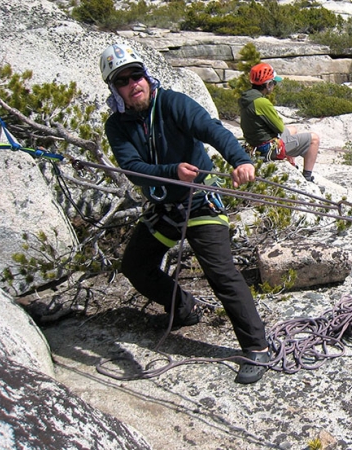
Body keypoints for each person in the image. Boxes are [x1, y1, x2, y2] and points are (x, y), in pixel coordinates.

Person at [99, 43, 271, 385]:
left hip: (199, 201)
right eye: (124, 80)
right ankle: (183, 307)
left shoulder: (173, 102)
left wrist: (240, 160)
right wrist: (171, 171)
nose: (134, 83)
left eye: (137, 75)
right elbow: (133, 168)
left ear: (147, 77)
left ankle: (257, 348)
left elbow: (212, 129)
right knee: (136, 265)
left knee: (220, 271)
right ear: (115, 89)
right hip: (165, 205)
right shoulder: (117, 126)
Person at [239, 62, 320, 182]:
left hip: (254, 144)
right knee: (314, 139)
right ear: (267, 84)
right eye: (274, 83)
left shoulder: (245, 98)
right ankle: (307, 177)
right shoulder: (261, 102)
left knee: (293, 129)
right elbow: (279, 127)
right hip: (267, 149)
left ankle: (291, 163)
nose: (274, 85)